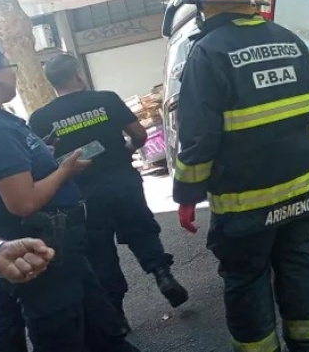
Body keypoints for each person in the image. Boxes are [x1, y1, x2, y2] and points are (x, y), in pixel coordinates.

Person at [172, 0, 309, 352]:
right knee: (298, 267)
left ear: (209, 7)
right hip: (301, 190)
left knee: (246, 280)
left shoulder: (207, 54)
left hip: (246, 202)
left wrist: (186, 196)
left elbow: (198, 139)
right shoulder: (293, 42)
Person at [0, 42, 140, 352]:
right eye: (11, 67)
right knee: (64, 337)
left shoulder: (5, 122)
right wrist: (65, 169)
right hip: (42, 253)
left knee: (104, 330)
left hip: (62, 251)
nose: (13, 74)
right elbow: (22, 202)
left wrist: (41, 157)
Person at [28, 53, 189, 332]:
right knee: (141, 231)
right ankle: (162, 274)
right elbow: (139, 134)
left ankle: (117, 314)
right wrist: (127, 150)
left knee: (99, 252)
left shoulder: (41, 118)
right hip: (122, 181)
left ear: (51, 82)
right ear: (78, 73)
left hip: (82, 193)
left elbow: (40, 161)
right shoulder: (106, 99)